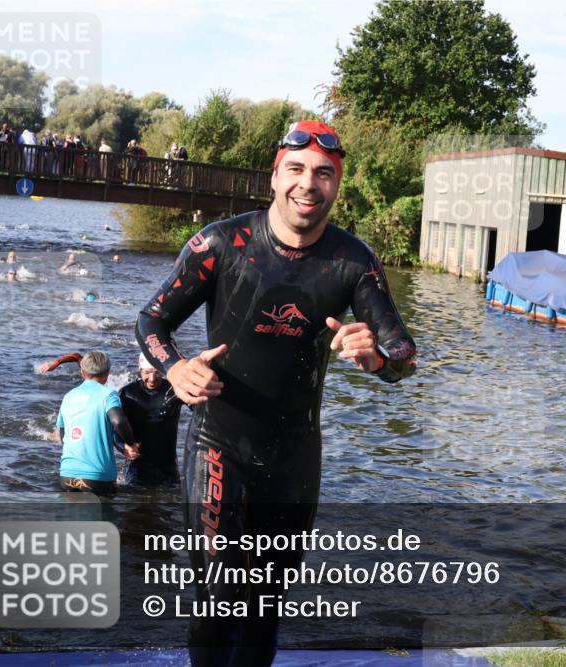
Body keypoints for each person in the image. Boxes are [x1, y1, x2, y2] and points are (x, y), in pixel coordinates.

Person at [135, 119, 416, 666]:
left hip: (294, 457)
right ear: (274, 176)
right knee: (215, 598)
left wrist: (378, 357)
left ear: (337, 184)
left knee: (265, 605)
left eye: (324, 174)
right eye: (296, 170)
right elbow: (151, 319)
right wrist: (174, 370)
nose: (308, 185)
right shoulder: (220, 243)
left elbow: (404, 356)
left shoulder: (353, 262)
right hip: (218, 446)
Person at [52, 351, 140, 495]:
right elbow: (118, 421)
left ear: (82, 372)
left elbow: (62, 434)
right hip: (97, 478)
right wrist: (131, 444)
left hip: (66, 475)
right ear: (108, 373)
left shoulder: (68, 396)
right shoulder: (108, 395)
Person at [119, 354, 184, 485]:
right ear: (139, 369)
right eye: (147, 372)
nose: (152, 378)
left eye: (157, 372)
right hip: (137, 468)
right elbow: (113, 427)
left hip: (168, 467)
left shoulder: (175, 390)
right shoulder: (127, 393)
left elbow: (200, 408)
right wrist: (123, 447)